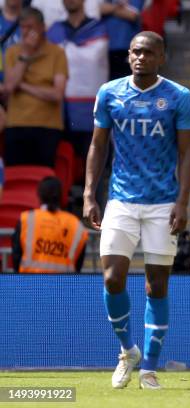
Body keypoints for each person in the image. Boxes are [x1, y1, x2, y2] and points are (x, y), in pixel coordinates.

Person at [83, 31, 190, 390]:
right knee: (112, 278)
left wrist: (182, 201)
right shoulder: (110, 93)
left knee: (156, 286)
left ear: (161, 57)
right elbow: (98, 146)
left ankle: (148, 366)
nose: (140, 57)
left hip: (163, 202)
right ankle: (127, 350)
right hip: (121, 199)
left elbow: (187, 153)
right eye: (135, 51)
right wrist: (89, 193)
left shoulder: (178, 96)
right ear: (128, 55)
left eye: (148, 52)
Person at [47, 0, 109, 172]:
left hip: (92, 107)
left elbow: (93, 60)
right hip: (61, 110)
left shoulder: (99, 29)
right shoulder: (54, 31)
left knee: (94, 166)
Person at [3, 7, 68, 168]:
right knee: (16, 177)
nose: (26, 32)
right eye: (23, 27)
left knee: (42, 177)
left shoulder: (57, 53)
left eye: (30, 27)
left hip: (47, 126)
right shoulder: (13, 52)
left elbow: (57, 94)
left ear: (42, 27)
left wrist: (23, 85)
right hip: (16, 124)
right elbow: (10, 86)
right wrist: (25, 55)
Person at [11, 176, 88, 273]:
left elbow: (16, 256)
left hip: (28, 285)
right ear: (61, 196)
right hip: (64, 286)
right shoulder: (77, 226)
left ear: (39, 195)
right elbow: (78, 266)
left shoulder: (26, 219)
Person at [101, 0, 145, 79]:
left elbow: (131, 14)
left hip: (127, 48)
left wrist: (109, 8)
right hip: (105, 49)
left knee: (126, 83)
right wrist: (118, 7)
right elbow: (99, 9)